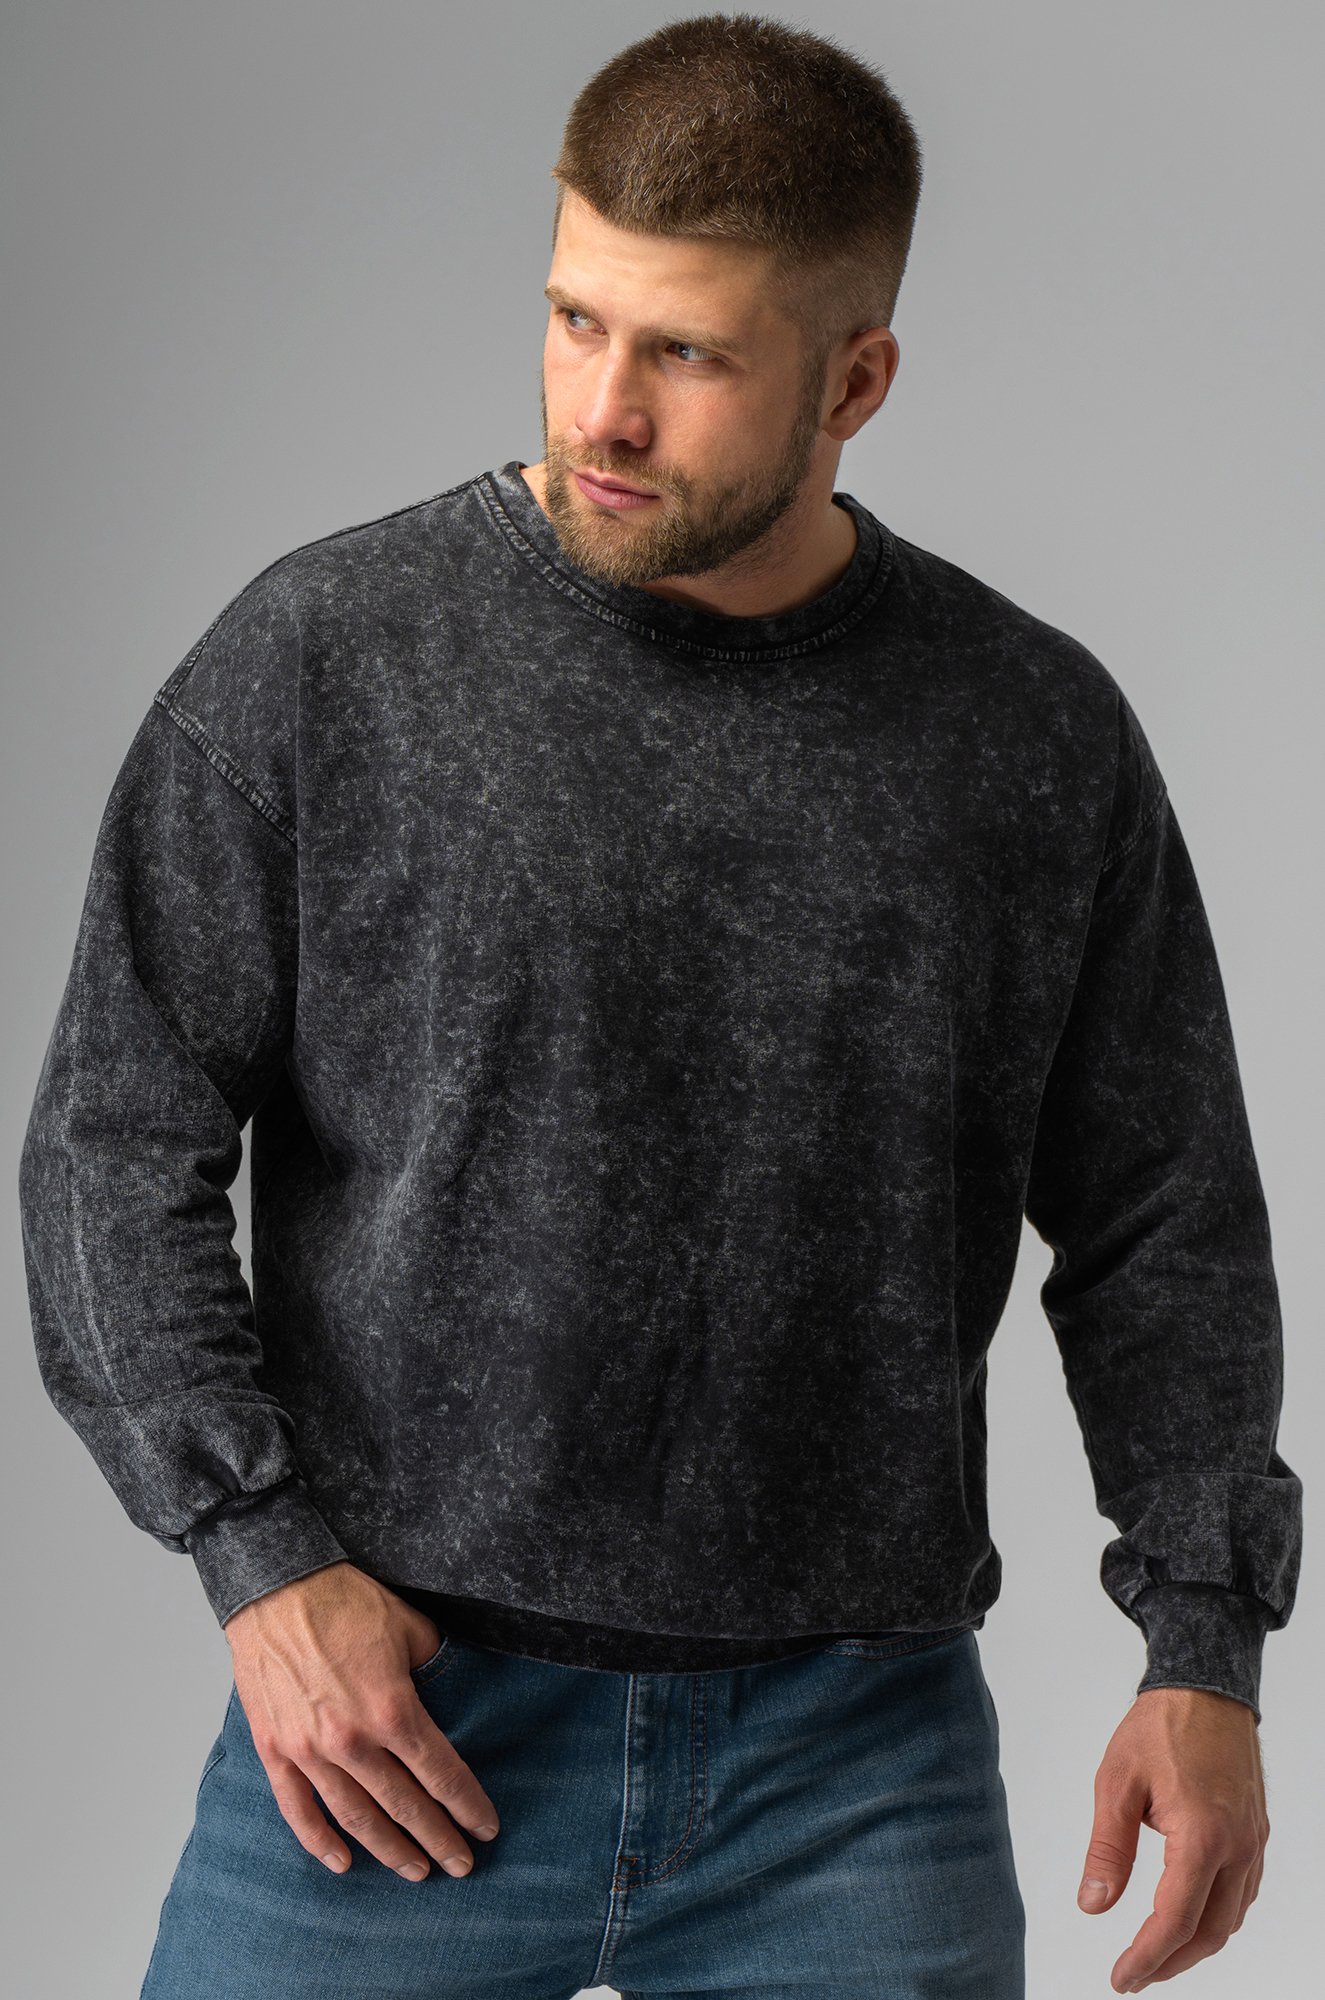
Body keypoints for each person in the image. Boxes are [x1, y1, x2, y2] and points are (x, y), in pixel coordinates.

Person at [17, 14, 1300, 2000]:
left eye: (688, 355)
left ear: (853, 379)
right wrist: (259, 1561)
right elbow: (113, 1141)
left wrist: (1203, 1645)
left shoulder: (1029, 733)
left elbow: (1165, 1219)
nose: (601, 411)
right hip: (393, 1733)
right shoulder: (325, 663)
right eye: (574, 320)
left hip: (855, 1764)